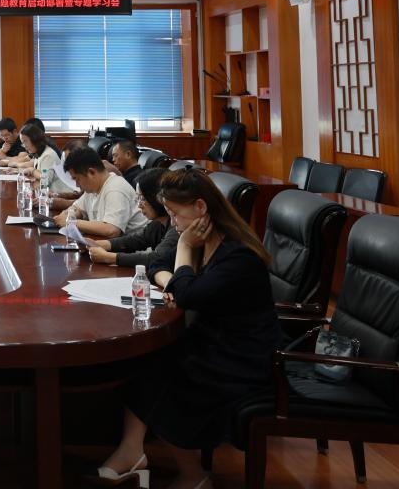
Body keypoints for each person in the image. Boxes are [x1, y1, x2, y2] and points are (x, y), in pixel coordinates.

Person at [92, 168, 281, 488]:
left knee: (170, 377)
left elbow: (188, 295)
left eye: (175, 214)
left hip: (242, 357)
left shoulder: (237, 256)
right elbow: (157, 265)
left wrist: (182, 252)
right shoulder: (205, 241)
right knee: (143, 361)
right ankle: (131, 451)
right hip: (211, 340)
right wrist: (175, 280)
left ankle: (194, 477)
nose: (173, 222)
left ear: (200, 207)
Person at [86, 168, 178, 267]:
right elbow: (136, 240)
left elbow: (157, 258)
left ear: (158, 197)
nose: (139, 205)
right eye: (138, 198)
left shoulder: (177, 226)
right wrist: (99, 244)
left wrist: (109, 257)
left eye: (142, 198)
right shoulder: (158, 223)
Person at [52, 146, 146, 237]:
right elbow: (77, 208)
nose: (77, 185)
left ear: (91, 172)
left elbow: (111, 230)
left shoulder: (115, 189)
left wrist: (70, 222)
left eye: (77, 179)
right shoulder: (93, 188)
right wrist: (68, 215)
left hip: (135, 246)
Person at [13, 122, 73, 194]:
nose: (24, 146)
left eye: (25, 141)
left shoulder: (48, 155)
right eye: (22, 143)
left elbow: (45, 182)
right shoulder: (39, 153)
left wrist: (32, 171)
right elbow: (39, 180)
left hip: (62, 194)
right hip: (49, 195)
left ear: (35, 139)